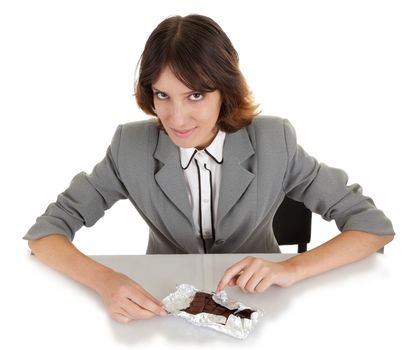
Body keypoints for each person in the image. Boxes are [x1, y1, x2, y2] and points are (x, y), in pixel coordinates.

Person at [24, 14, 395, 324]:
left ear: (225, 90)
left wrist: (290, 268)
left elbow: (372, 227)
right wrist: (105, 280)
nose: (176, 117)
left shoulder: (273, 141)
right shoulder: (130, 147)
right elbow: (45, 235)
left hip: (261, 305)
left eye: (195, 95)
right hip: (164, 308)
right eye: (162, 95)